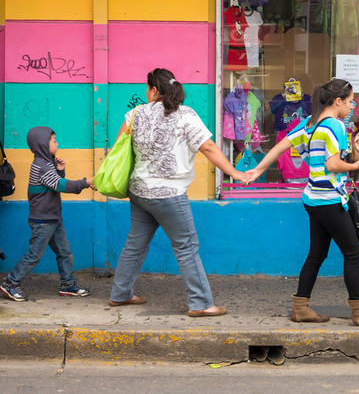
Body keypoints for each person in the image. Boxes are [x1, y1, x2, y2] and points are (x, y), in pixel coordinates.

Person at [245, 78, 359, 326]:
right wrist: (357, 164)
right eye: (350, 100)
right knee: (353, 253)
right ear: (338, 101)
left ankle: (301, 308)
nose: (353, 105)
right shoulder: (335, 125)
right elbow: (333, 164)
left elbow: (281, 146)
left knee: (316, 254)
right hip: (329, 200)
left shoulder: (311, 124)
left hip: (312, 198)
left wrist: (257, 171)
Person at [109, 68, 248, 317]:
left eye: (147, 87)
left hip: (139, 191)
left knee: (135, 243)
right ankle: (202, 303)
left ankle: (120, 294)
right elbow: (208, 147)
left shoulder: (135, 113)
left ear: (153, 90)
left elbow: (119, 147)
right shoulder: (186, 115)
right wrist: (234, 173)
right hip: (169, 194)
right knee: (186, 247)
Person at [0, 127, 93, 302]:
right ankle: (11, 283)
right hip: (43, 220)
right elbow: (60, 185)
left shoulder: (47, 163)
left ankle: (67, 284)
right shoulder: (40, 166)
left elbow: (52, 183)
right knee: (34, 254)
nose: (56, 143)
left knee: (64, 253)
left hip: (53, 218)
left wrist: (59, 170)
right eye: (53, 140)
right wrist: (86, 182)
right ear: (43, 144)